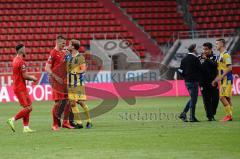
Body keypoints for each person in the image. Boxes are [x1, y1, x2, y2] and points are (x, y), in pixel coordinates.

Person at [7, 44, 37, 133]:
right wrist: (33, 78)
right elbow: (24, 76)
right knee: (28, 108)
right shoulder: (21, 62)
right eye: (24, 49)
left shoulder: (15, 59)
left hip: (20, 87)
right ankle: (12, 119)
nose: (26, 50)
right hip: (20, 88)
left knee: (29, 107)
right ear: (21, 50)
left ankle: (26, 127)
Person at [45, 35, 73, 130]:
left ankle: (65, 122)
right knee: (58, 103)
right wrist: (56, 77)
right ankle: (55, 124)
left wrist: (69, 54)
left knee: (68, 101)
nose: (64, 45)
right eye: (63, 43)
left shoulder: (63, 53)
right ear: (58, 42)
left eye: (65, 43)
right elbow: (47, 68)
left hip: (64, 81)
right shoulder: (53, 53)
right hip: (56, 81)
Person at [66, 39, 92, 129]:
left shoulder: (80, 57)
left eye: (69, 44)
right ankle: (79, 123)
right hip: (70, 84)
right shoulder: (68, 56)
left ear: (73, 46)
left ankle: (89, 121)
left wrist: (75, 72)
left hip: (78, 84)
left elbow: (83, 69)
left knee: (81, 102)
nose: (68, 45)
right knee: (72, 103)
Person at [178, 44, 201, 122]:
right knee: (194, 99)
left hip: (187, 81)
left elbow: (180, 70)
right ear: (194, 50)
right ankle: (191, 117)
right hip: (194, 81)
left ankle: (184, 114)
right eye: (196, 49)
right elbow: (201, 69)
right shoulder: (195, 59)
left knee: (192, 98)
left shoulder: (184, 59)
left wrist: (185, 76)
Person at [212, 39, 233, 121]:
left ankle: (229, 115)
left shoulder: (226, 55)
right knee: (227, 98)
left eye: (217, 44)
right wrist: (216, 79)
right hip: (223, 79)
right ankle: (230, 115)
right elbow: (220, 69)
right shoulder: (220, 55)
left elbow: (230, 68)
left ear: (222, 44)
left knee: (222, 97)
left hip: (227, 79)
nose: (216, 45)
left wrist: (222, 76)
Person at [199, 42, 219, 121]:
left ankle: (212, 113)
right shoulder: (199, 58)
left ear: (210, 49)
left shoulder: (215, 57)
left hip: (213, 82)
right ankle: (210, 116)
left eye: (206, 49)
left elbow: (215, 65)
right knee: (206, 100)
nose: (204, 51)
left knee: (215, 99)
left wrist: (206, 59)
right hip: (203, 83)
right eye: (203, 49)